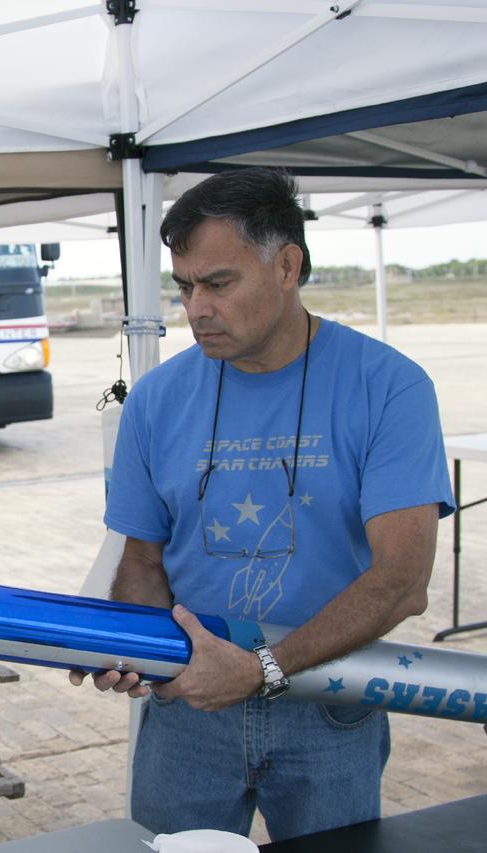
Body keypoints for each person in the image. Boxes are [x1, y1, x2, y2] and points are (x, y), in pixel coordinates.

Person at [69, 168, 455, 842]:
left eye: (218, 283)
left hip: (331, 697)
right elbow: (142, 559)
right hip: (189, 708)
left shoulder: (388, 386)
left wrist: (261, 669)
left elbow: (402, 582)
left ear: (287, 266)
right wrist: (133, 646)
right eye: (184, 286)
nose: (195, 308)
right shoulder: (155, 401)